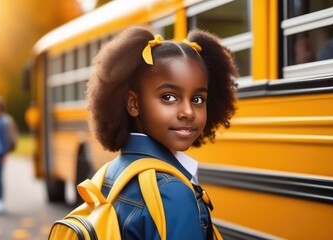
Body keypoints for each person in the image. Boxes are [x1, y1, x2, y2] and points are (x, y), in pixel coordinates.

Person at [87, 27, 237, 239]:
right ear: (134, 103)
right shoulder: (172, 191)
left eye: (197, 99)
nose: (188, 112)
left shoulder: (108, 174)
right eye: (168, 97)